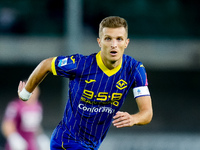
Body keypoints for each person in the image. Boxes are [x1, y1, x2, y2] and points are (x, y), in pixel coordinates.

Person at [17, 16, 153, 150]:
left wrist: (134, 119)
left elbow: (147, 113)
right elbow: (46, 64)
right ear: (99, 42)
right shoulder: (81, 65)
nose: (114, 45)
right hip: (66, 141)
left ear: (126, 42)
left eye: (119, 39)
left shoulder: (134, 69)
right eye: (108, 39)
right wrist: (25, 93)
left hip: (91, 145)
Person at [2, 85, 50, 150]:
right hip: (18, 145)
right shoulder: (15, 105)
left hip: (31, 145)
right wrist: (13, 137)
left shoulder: (38, 106)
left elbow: (35, 126)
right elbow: (7, 124)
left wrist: (40, 136)